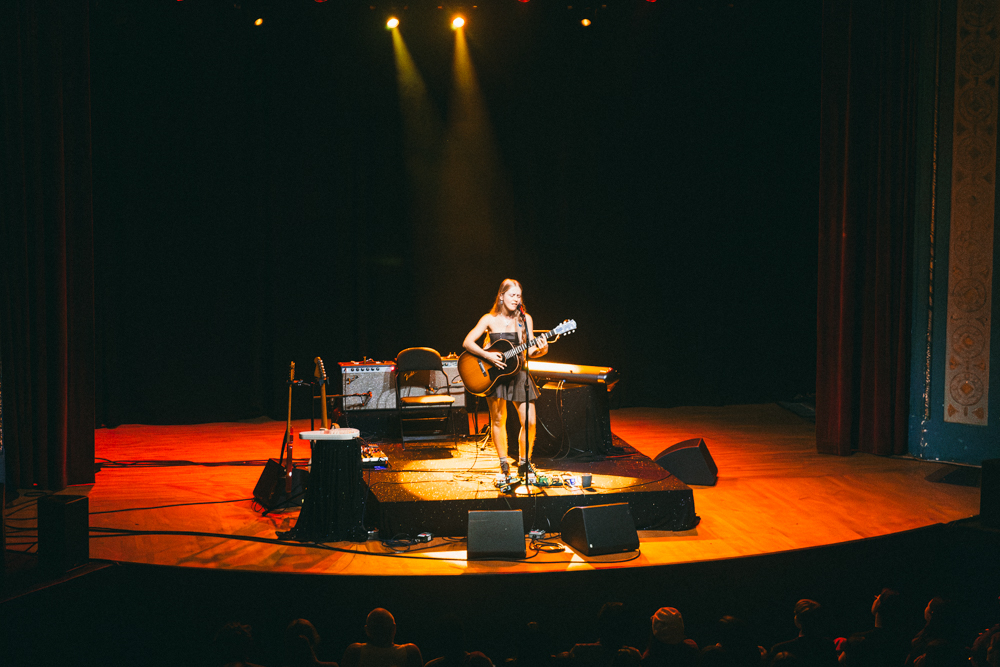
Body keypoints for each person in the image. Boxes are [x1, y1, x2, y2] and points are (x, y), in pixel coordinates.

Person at [463, 279, 548, 478]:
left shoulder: (525, 319)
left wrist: (542, 350)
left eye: (519, 296)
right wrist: (488, 355)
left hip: (519, 373)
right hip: (496, 374)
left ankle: (524, 462)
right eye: (512, 295)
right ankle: (503, 464)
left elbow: (529, 351)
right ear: (501, 296)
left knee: (530, 421)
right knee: (499, 419)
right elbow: (467, 342)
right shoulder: (489, 319)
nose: (516, 299)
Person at [342, 608, 423, 667]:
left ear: (367, 630)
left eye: (383, 626)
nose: (381, 630)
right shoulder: (410, 652)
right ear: (394, 628)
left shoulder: (355, 651)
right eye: (378, 627)